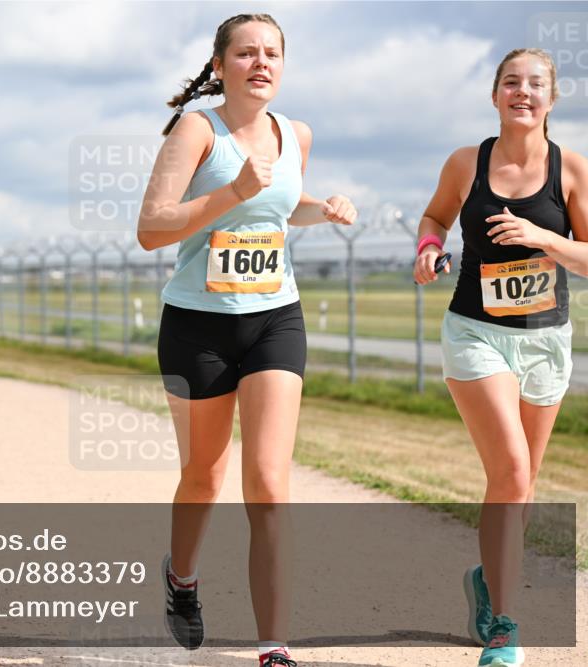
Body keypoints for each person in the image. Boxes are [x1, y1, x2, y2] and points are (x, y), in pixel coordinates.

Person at [137, 14, 356, 667]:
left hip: (274, 319)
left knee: (267, 479)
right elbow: (152, 228)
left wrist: (325, 209)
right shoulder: (197, 129)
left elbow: (280, 207)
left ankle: (274, 646)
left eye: (271, 53)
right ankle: (181, 578)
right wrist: (233, 188)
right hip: (197, 324)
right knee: (204, 475)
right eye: (246, 53)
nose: (260, 63)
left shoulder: (297, 134)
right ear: (221, 62)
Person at [413, 48, 588, 667]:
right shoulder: (468, 162)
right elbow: (435, 216)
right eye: (511, 82)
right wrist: (430, 248)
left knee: (520, 483)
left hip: (546, 339)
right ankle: (504, 628)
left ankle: (489, 582)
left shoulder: (571, 169)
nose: (523, 91)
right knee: (512, 472)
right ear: (494, 95)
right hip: (476, 331)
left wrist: (545, 236)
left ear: (552, 98)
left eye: (535, 83)